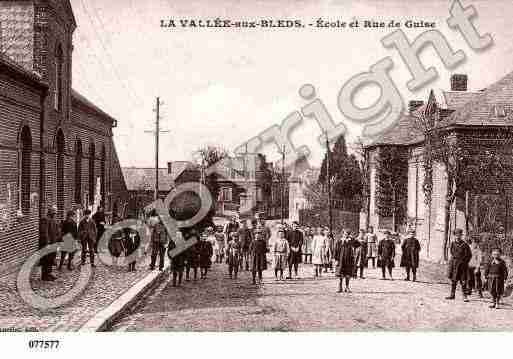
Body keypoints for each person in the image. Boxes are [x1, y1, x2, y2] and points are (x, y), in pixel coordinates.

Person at [446, 228, 472, 302]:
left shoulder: (465, 245)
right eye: (456, 235)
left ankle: (465, 296)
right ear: (454, 235)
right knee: (454, 280)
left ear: (461, 236)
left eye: (459, 235)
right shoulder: (452, 243)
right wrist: (453, 261)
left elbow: (469, 255)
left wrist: (464, 262)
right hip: (454, 265)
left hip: (462, 266)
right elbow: (451, 252)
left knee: (463, 281)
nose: (458, 236)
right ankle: (452, 295)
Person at [39, 205, 60, 281]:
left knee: (51, 259)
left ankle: (49, 273)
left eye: (55, 213)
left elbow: (56, 231)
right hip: (47, 244)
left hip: (53, 243)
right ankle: (45, 275)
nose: (55, 214)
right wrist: (47, 243)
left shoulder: (53, 220)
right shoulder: (45, 220)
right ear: (50, 213)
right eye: (54, 213)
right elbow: (45, 233)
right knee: (46, 260)